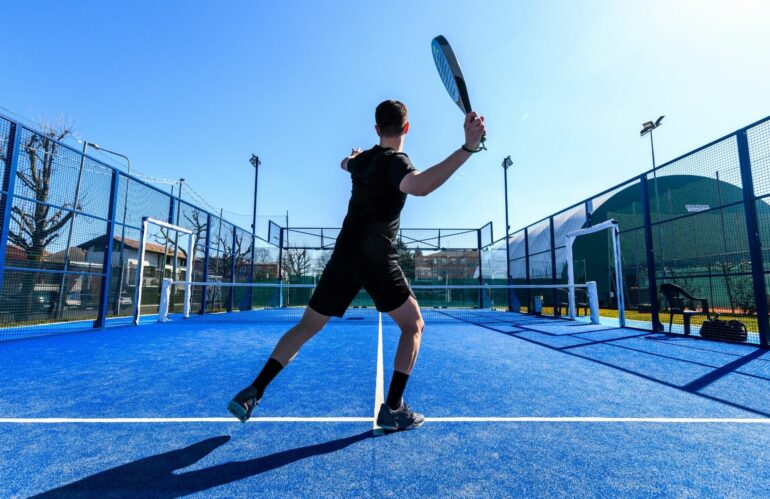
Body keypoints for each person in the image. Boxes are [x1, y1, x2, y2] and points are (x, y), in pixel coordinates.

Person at [228, 99, 486, 430]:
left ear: (377, 129)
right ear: (407, 128)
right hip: (375, 258)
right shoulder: (396, 162)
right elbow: (419, 186)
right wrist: (468, 147)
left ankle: (255, 390)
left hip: (344, 256)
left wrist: (353, 156)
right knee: (413, 326)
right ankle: (393, 408)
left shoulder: (361, 161)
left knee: (307, 326)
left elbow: (343, 163)